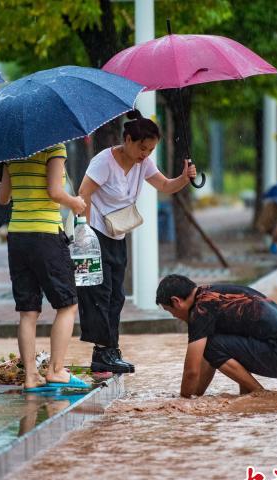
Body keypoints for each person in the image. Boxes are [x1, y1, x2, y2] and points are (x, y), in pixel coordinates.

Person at [78, 110, 196, 376]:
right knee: (99, 294)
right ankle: (102, 353)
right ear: (127, 139)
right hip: (94, 233)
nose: (146, 154)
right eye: (142, 148)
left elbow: (166, 186)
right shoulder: (103, 161)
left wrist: (184, 177)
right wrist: (83, 236)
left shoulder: (143, 163)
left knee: (116, 296)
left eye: (151, 149)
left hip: (117, 235)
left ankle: (111, 349)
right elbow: (83, 195)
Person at [0, 144, 89, 391]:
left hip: (17, 236)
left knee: (27, 311)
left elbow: (2, 198)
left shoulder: (11, 152)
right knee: (68, 304)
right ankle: (57, 370)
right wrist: (75, 203)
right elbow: (55, 192)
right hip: (46, 235)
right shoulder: (54, 147)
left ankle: (30, 377)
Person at [155, 275, 277, 398]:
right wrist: (197, 396)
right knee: (215, 343)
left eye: (169, 311)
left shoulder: (201, 310)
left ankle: (259, 394)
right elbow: (210, 359)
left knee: (211, 345)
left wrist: (183, 401)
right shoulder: (211, 295)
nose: (174, 316)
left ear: (176, 301)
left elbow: (191, 371)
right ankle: (250, 393)